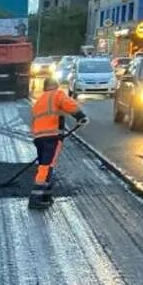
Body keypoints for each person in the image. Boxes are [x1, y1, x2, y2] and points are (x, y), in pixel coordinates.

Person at [29, 77, 88, 209]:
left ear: (45, 87)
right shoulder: (57, 94)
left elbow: (33, 122)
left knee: (45, 165)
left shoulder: (39, 101)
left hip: (39, 138)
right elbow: (70, 105)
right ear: (55, 86)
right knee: (47, 166)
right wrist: (81, 116)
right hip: (51, 136)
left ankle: (46, 195)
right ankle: (35, 197)